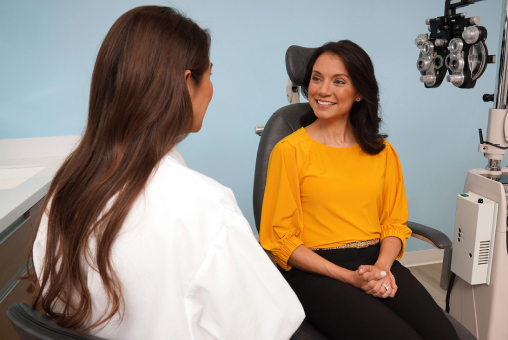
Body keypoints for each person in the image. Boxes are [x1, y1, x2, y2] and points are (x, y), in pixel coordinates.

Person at [27, 6, 304, 340]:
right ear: (187, 83)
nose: (211, 88)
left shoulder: (66, 191)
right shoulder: (204, 209)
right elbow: (272, 329)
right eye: (210, 74)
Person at [259, 40, 460, 340]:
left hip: (374, 259)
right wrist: (351, 278)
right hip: (314, 269)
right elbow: (280, 240)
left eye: (339, 81)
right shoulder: (289, 151)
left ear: (361, 92)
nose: (322, 90)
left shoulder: (382, 152)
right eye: (316, 78)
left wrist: (380, 268)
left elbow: (394, 222)